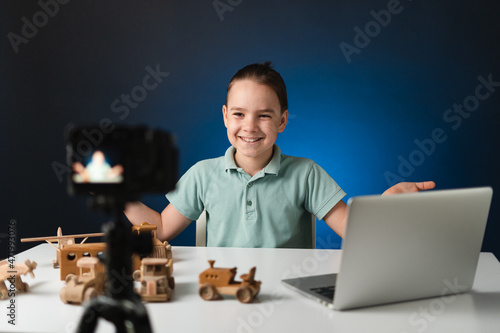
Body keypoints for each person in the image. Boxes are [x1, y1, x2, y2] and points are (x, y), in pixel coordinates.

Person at [125, 62, 435, 248]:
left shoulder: (306, 174)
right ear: (225, 117)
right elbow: (161, 230)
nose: (249, 126)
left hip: (289, 299)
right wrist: (117, 195)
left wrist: (386, 206)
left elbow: (354, 231)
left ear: (282, 120)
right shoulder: (203, 174)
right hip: (222, 297)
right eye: (239, 114)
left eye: (263, 115)